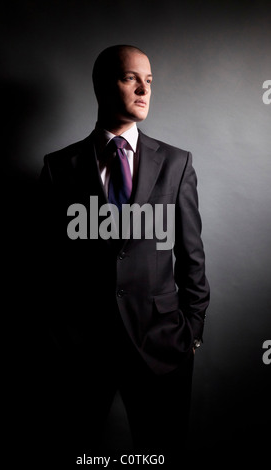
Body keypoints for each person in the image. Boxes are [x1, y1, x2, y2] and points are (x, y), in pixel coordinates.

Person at [38, 45, 210, 461]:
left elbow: (192, 256)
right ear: (101, 85)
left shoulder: (176, 163)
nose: (143, 89)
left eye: (149, 81)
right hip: (81, 350)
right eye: (131, 78)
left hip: (161, 343)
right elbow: (44, 262)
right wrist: (57, 335)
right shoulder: (60, 167)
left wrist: (191, 331)